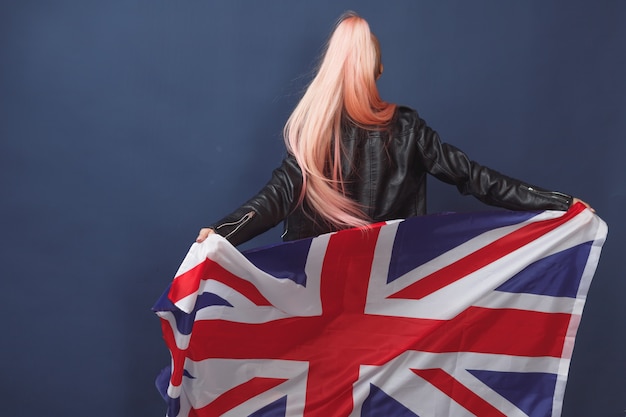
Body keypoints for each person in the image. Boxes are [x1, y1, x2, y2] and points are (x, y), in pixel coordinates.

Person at [196, 12, 590, 247]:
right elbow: (475, 179)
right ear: (378, 71)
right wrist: (559, 202)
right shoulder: (408, 130)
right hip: (393, 291)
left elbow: (271, 201)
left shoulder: (316, 135)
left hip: (321, 296)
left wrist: (218, 235)